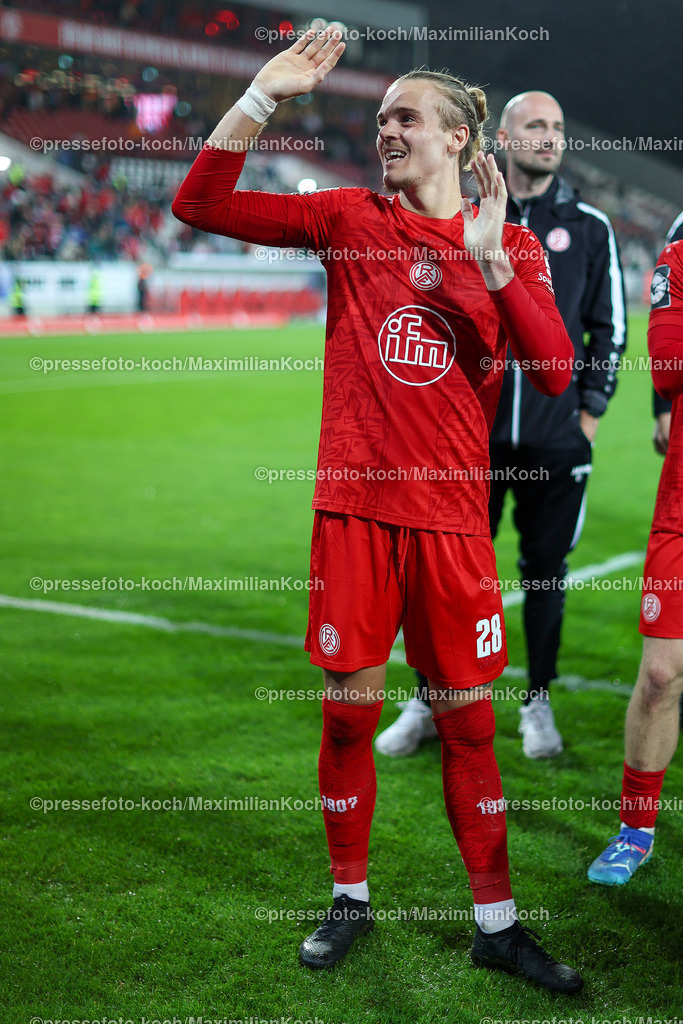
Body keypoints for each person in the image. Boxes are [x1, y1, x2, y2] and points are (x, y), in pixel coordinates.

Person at [172, 29, 582, 993]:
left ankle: (494, 922)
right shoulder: (349, 219)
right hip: (353, 514)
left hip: (449, 525)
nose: (384, 128)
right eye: (381, 115)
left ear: (455, 141)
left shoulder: (510, 244)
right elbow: (201, 203)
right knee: (349, 719)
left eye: (404, 117)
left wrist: (485, 268)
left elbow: (556, 371)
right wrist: (261, 96)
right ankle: (348, 897)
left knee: (468, 730)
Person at [376, 90, 626, 760]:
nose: (549, 137)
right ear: (501, 139)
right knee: (444, 580)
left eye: (557, 127)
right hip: (467, 445)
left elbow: (609, 330)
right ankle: (427, 698)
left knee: (544, 577)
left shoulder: (590, 226)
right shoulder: (457, 217)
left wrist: (588, 415)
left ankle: (536, 701)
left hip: (554, 440)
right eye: (535, 126)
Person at [587, 235, 683, 885]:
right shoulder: (676, 261)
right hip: (680, 510)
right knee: (656, 677)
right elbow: (668, 364)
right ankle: (634, 830)